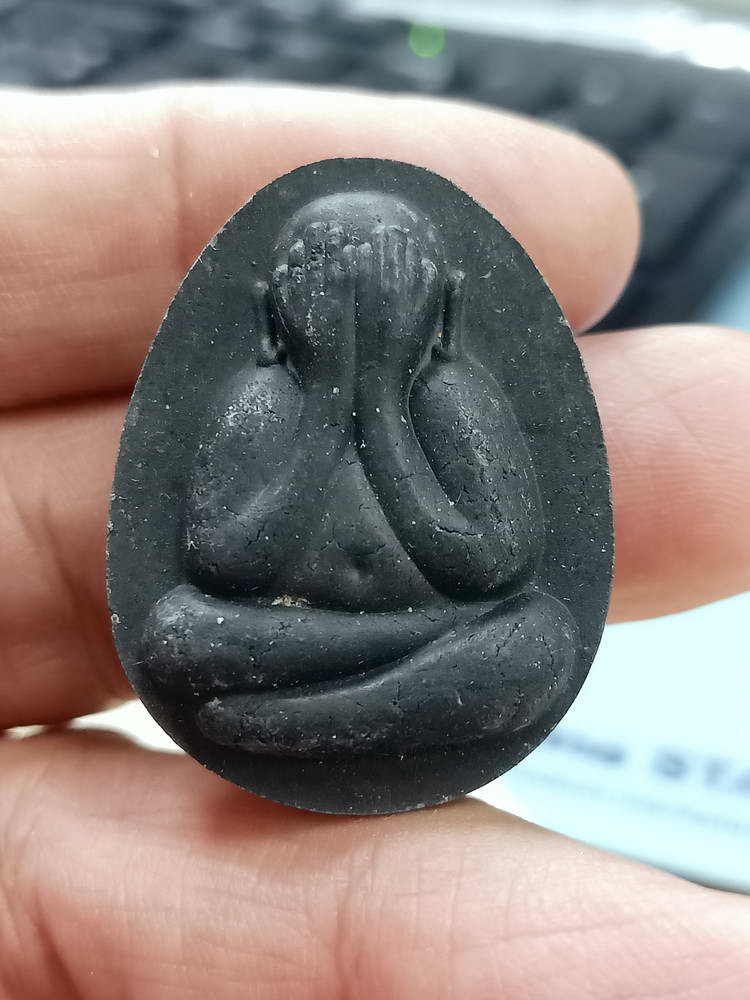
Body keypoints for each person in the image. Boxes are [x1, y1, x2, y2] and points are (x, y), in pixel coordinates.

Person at [0, 85, 748, 997]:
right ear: (278, 313)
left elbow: (491, 564)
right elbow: (226, 562)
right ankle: (351, 697)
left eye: (384, 297)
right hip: (344, 638)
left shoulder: (454, 397)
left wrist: (385, 402)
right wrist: (328, 402)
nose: (355, 319)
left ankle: (291, 721)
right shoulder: (262, 401)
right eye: (328, 299)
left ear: (439, 311)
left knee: (538, 638)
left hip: (393, 637)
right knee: (174, 635)